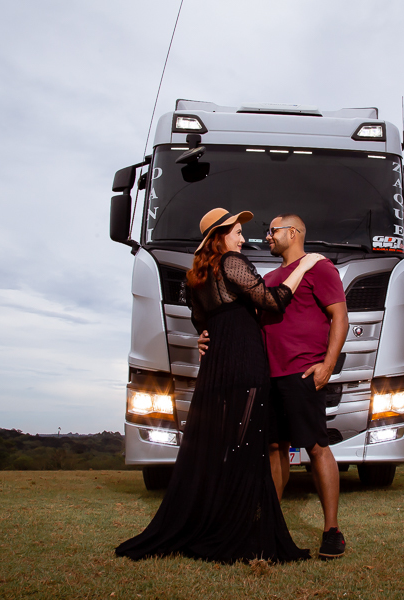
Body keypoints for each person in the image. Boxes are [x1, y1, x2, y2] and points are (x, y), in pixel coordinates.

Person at [116, 208, 323, 564]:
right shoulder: (230, 263)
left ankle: (215, 519)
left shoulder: (194, 275)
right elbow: (271, 300)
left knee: (221, 443)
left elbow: (202, 323)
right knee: (248, 444)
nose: (243, 239)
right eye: (238, 232)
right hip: (244, 359)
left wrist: (204, 339)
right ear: (221, 235)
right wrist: (305, 267)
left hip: (217, 366)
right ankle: (238, 526)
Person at [199, 214, 350, 560]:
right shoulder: (268, 278)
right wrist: (205, 336)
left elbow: (339, 316)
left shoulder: (320, 269)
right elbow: (238, 317)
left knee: (316, 446)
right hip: (266, 375)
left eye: (272, 231)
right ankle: (268, 524)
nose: (265, 236)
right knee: (273, 448)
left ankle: (332, 530)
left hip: (302, 373)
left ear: (293, 233)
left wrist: (328, 364)